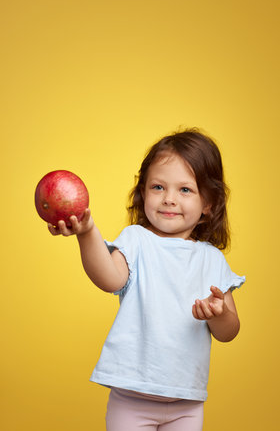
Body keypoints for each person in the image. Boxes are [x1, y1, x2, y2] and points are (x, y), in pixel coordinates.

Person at [48, 128, 245, 431]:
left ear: (209, 202)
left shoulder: (212, 260)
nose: (169, 199)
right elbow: (110, 279)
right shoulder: (136, 240)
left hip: (186, 405)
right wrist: (87, 233)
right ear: (142, 193)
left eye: (185, 190)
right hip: (131, 401)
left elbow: (228, 332)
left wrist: (220, 314)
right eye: (157, 187)